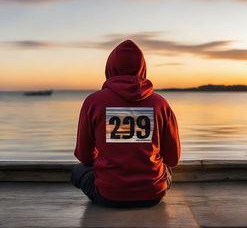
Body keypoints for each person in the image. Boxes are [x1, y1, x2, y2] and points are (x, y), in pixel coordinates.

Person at [71, 39, 181, 208]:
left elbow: (85, 156)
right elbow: (172, 159)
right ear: (143, 68)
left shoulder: (93, 102)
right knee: (166, 170)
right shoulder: (161, 104)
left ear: (109, 68)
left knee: (78, 170)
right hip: (153, 194)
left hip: (108, 195)